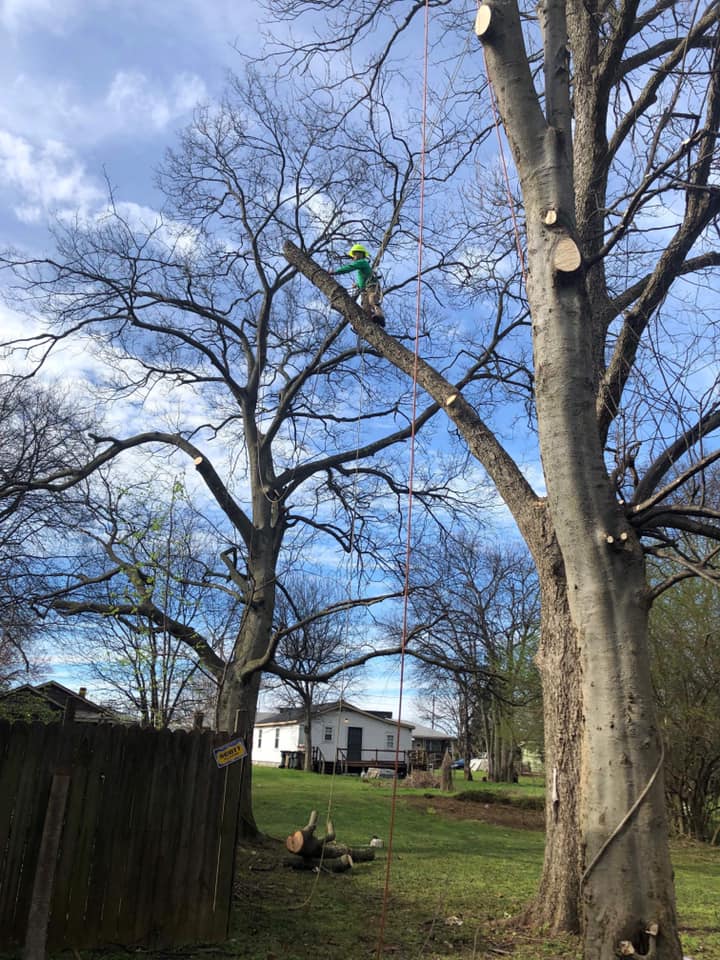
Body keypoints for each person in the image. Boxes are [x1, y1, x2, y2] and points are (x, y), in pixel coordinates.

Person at [334, 244, 385, 326]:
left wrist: (336, 272)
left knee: (372, 299)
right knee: (365, 308)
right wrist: (357, 284)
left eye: (354, 254)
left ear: (360, 254)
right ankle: (370, 320)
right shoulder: (360, 269)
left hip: (372, 286)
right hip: (364, 290)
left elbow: (350, 267)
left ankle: (380, 317)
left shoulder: (362, 262)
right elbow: (362, 280)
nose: (353, 257)